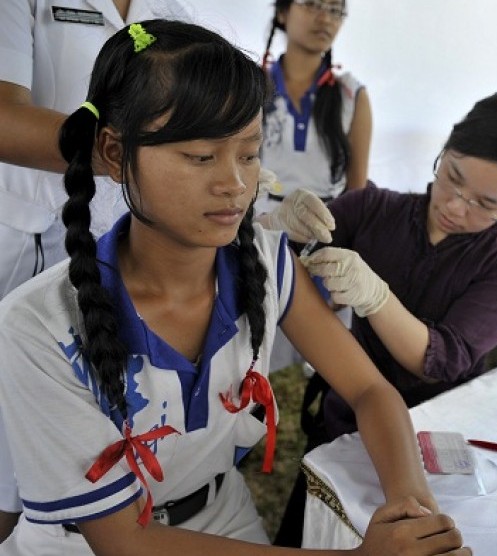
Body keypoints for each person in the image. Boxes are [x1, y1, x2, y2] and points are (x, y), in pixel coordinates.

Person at [0, 20, 469, 555]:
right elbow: (123, 543)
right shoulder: (37, 327)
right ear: (113, 153)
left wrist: (410, 508)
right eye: (201, 157)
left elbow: (368, 389)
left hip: (221, 515)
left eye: (248, 154)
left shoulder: (265, 263)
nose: (237, 184)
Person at [268, 92, 497, 546]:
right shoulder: (374, 209)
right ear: (444, 151)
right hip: (343, 424)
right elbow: (279, 258)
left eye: (486, 203)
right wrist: (280, 224)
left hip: (434, 449)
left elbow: (440, 360)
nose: (457, 206)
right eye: (452, 177)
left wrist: (376, 297)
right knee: (312, 531)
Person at [0, 0, 195, 542]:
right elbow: (1, 114)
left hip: (116, 239)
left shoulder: (173, 11)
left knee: (86, 431)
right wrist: (124, 153)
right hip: (21, 240)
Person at [256, 0, 372, 372]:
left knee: (326, 363)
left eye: (336, 10)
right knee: (250, 352)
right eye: (314, 5)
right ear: (283, 11)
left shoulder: (352, 95)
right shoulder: (251, 83)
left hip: (323, 231)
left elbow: (357, 194)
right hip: (259, 225)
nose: (326, 18)